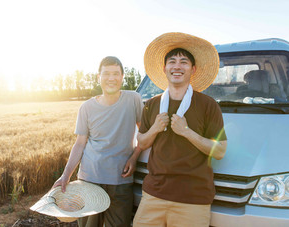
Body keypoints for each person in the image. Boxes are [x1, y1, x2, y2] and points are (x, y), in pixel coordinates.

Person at [133, 32, 228, 227]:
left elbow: (220, 151)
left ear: (193, 69)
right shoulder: (152, 104)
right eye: (172, 61)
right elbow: (142, 142)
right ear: (164, 68)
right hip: (153, 195)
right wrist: (155, 130)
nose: (177, 66)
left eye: (184, 62)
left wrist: (187, 132)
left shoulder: (208, 105)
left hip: (193, 200)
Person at [53, 56, 144, 227]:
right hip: (90, 179)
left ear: (122, 77)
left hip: (121, 180)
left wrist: (134, 157)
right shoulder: (86, 107)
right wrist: (66, 175)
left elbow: (143, 133)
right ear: (98, 77)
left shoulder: (134, 99)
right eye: (106, 74)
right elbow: (80, 143)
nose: (111, 78)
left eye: (116, 74)